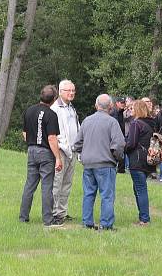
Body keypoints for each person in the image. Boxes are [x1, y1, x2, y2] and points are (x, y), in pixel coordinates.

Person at [72, 94, 125, 231]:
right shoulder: (112, 122)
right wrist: (117, 158)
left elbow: (77, 144)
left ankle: (87, 222)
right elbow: (118, 144)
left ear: (96, 106)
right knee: (107, 195)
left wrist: (84, 153)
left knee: (88, 193)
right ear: (111, 107)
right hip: (105, 163)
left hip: (88, 163)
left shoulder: (87, 121)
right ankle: (106, 225)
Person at [19, 85, 63, 227]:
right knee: (46, 187)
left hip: (31, 150)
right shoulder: (51, 115)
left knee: (29, 185)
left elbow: (25, 133)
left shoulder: (29, 111)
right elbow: (51, 138)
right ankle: (48, 220)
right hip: (45, 153)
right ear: (54, 99)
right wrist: (58, 157)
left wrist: (33, 143)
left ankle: (23, 217)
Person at [52, 80, 80, 224]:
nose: (71, 93)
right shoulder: (55, 108)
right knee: (57, 183)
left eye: (73, 91)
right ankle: (54, 213)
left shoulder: (71, 108)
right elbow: (54, 133)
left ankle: (62, 212)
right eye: (68, 90)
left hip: (73, 151)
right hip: (61, 151)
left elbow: (76, 128)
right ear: (60, 91)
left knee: (67, 183)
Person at [125, 100, 154, 225]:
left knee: (140, 189)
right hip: (147, 159)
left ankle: (144, 218)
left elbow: (131, 143)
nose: (130, 110)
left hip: (137, 159)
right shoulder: (151, 123)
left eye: (132, 108)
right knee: (139, 188)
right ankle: (143, 216)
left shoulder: (136, 124)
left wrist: (123, 148)